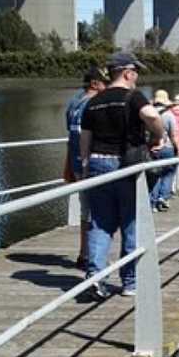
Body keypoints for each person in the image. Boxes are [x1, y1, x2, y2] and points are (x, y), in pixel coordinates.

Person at [79, 52, 164, 299]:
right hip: (126, 165)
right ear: (127, 73)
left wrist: (86, 168)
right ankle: (130, 282)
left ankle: (96, 279)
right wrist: (158, 136)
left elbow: (85, 139)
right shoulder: (132, 96)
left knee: (100, 224)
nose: (136, 77)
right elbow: (152, 115)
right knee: (131, 221)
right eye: (136, 73)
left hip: (97, 163)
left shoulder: (93, 101)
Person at [64, 66, 108, 270]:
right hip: (90, 164)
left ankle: (85, 253)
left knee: (86, 211)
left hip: (77, 164)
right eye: (104, 82)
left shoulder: (73, 103)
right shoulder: (94, 104)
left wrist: (68, 165)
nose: (107, 86)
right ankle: (91, 257)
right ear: (94, 83)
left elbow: (70, 137)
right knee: (96, 212)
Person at [148, 90, 179, 212]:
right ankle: (163, 197)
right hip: (167, 148)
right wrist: (178, 149)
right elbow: (173, 135)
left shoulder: (149, 114)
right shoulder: (169, 115)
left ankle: (152, 201)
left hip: (152, 148)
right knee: (168, 174)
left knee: (154, 175)